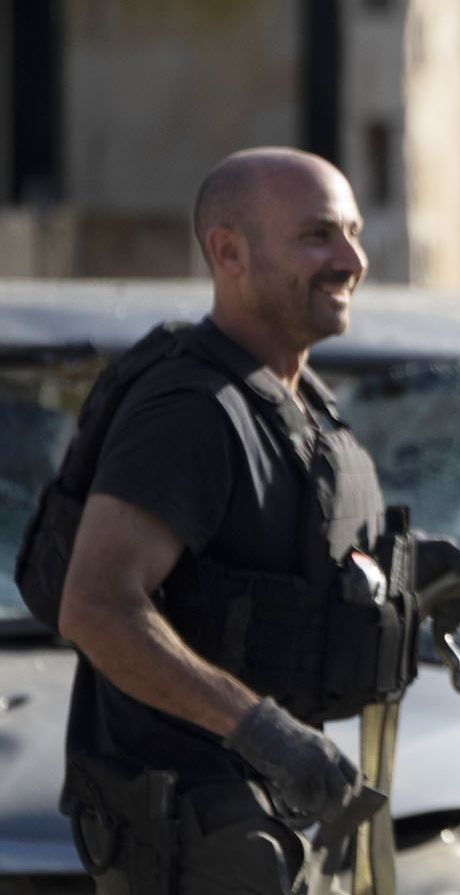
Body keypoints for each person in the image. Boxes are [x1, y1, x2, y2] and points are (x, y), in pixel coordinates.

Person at [34, 148, 436, 893]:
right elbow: (96, 606)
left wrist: (423, 578)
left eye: (352, 233)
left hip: (265, 834)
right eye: (317, 236)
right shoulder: (190, 412)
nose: (352, 261)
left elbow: (287, 571)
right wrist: (262, 731)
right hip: (192, 848)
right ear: (229, 253)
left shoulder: (296, 400)